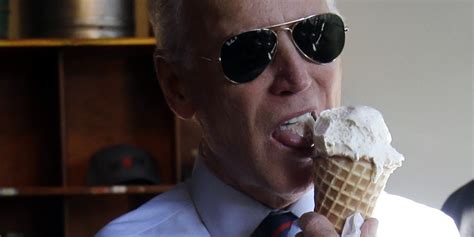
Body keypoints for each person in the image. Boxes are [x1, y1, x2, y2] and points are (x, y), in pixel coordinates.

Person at [96, 0, 460, 236]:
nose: (298, 78)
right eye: (249, 51)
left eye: (316, 36)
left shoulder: (431, 230)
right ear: (178, 87)